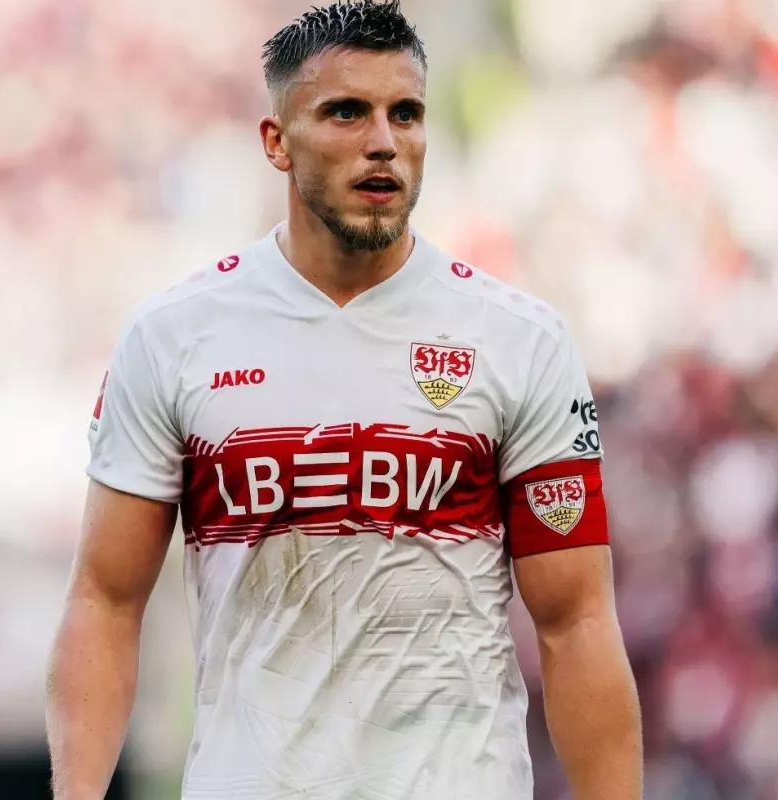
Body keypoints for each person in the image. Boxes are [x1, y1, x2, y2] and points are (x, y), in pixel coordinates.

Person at [45, 2, 642, 798]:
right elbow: (105, 601)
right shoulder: (173, 337)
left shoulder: (520, 341)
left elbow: (578, 623)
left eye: (406, 114)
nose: (384, 141)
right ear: (277, 142)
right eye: (347, 112)